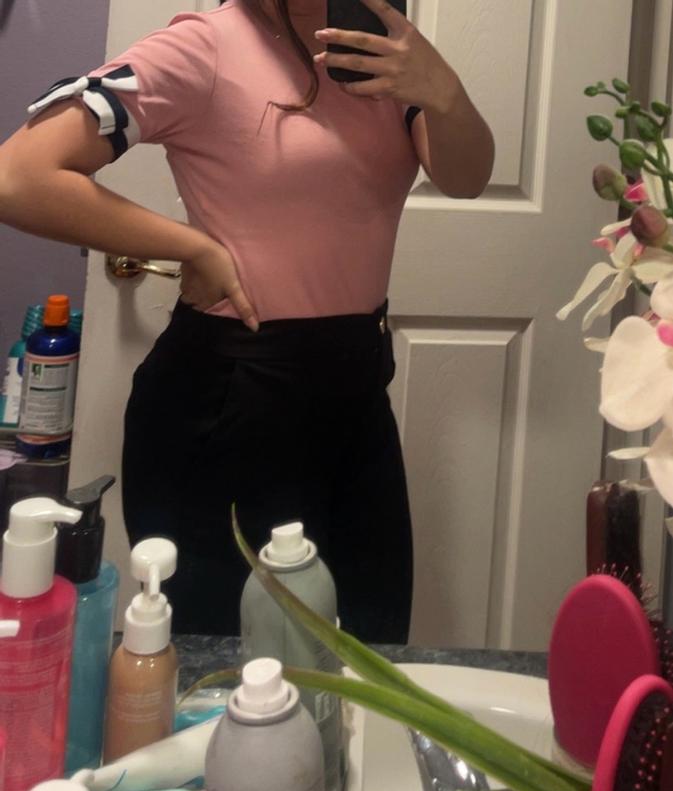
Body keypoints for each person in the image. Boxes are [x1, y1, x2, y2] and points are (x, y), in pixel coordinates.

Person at [0, 0, 494, 643]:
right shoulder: (206, 46)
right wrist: (190, 247)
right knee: (230, 661)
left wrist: (443, 92)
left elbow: (466, 180)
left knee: (372, 645)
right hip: (231, 400)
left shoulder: (379, 52)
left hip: (357, 394)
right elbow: (18, 176)